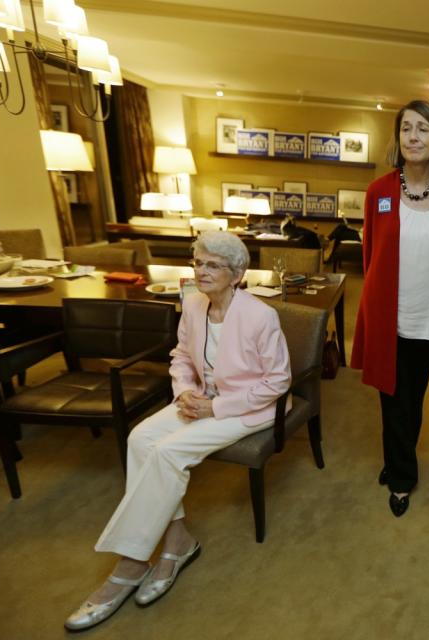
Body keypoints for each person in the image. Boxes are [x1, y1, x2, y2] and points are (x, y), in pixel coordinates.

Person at [65, 231, 291, 631]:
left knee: (168, 452)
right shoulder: (192, 304)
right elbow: (181, 356)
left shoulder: (261, 316)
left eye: (213, 265)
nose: (201, 272)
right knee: (139, 438)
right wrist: (186, 391)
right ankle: (177, 543)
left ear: (237, 274)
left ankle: (131, 565)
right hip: (199, 399)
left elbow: (277, 382)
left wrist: (216, 406)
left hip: (247, 407)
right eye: (198, 262)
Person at [350, 100, 429, 518]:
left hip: (427, 319)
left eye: (423, 129)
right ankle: (400, 470)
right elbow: (370, 256)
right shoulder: (379, 192)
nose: (413, 137)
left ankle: (398, 467)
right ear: (398, 139)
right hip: (387, 317)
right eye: (406, 129)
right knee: (390, 396)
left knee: (410, 400)